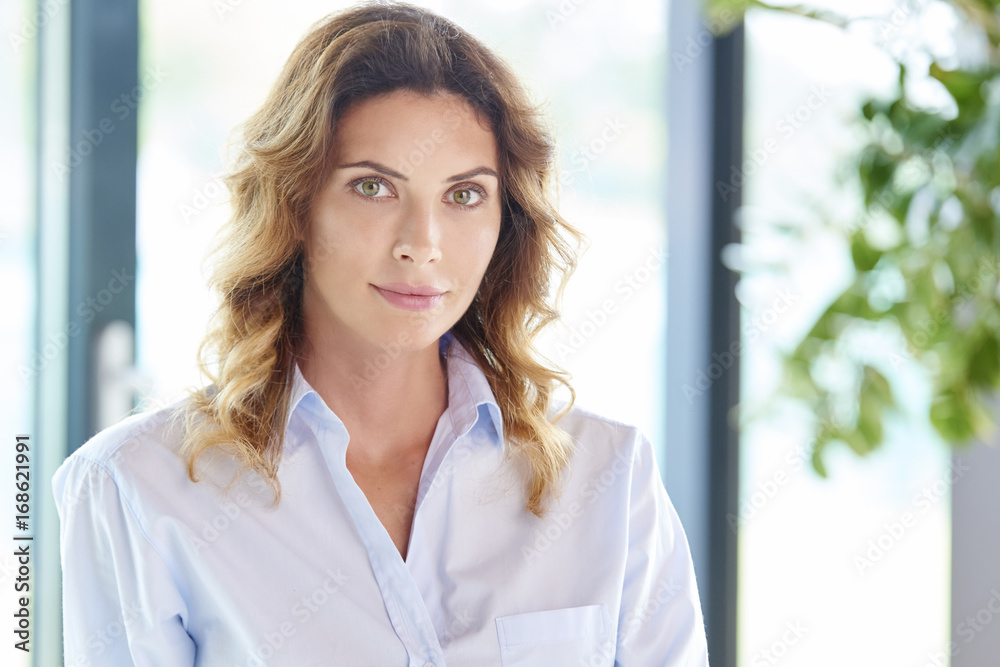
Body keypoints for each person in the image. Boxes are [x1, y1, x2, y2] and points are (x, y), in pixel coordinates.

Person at [52, 2, 709, 665]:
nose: (422, 245)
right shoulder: (136, 489)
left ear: (504, 220)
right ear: (296, 206)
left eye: (463, 195)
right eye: (373, 187)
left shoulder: (608, 477)